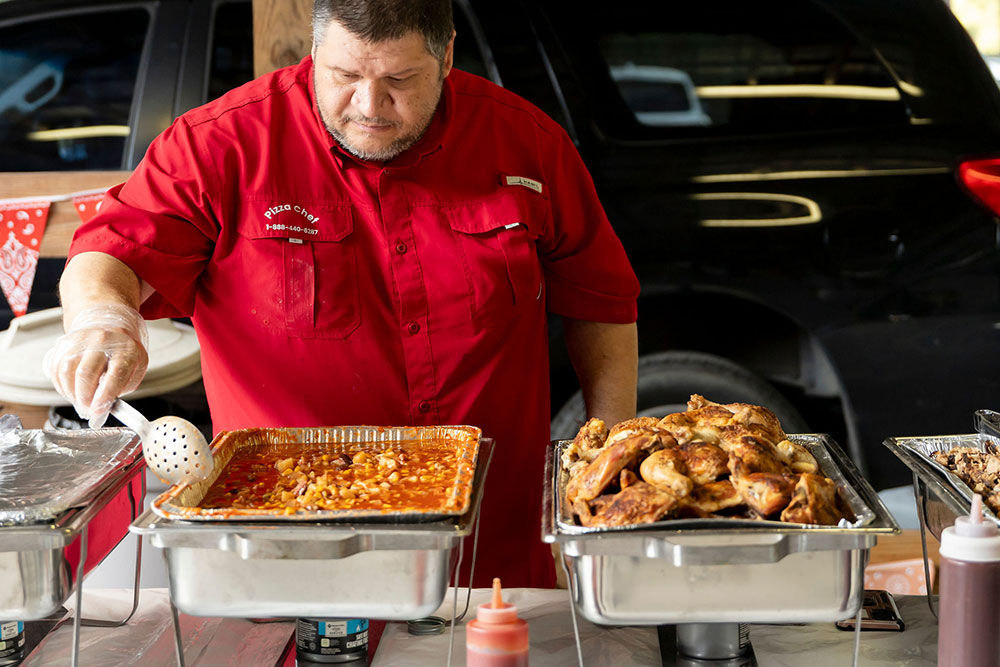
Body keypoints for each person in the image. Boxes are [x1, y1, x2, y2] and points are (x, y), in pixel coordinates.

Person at [45, 0, 639, 588]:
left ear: (448, 54)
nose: (369, 106)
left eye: (399, 80)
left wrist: (611, 458)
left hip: (492, 544)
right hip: (287, 541)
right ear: (315, 48)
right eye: (345, 76)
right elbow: (110, 252)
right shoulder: (222, 144)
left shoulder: (527, 141)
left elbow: (603, 303)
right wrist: (105, 319)